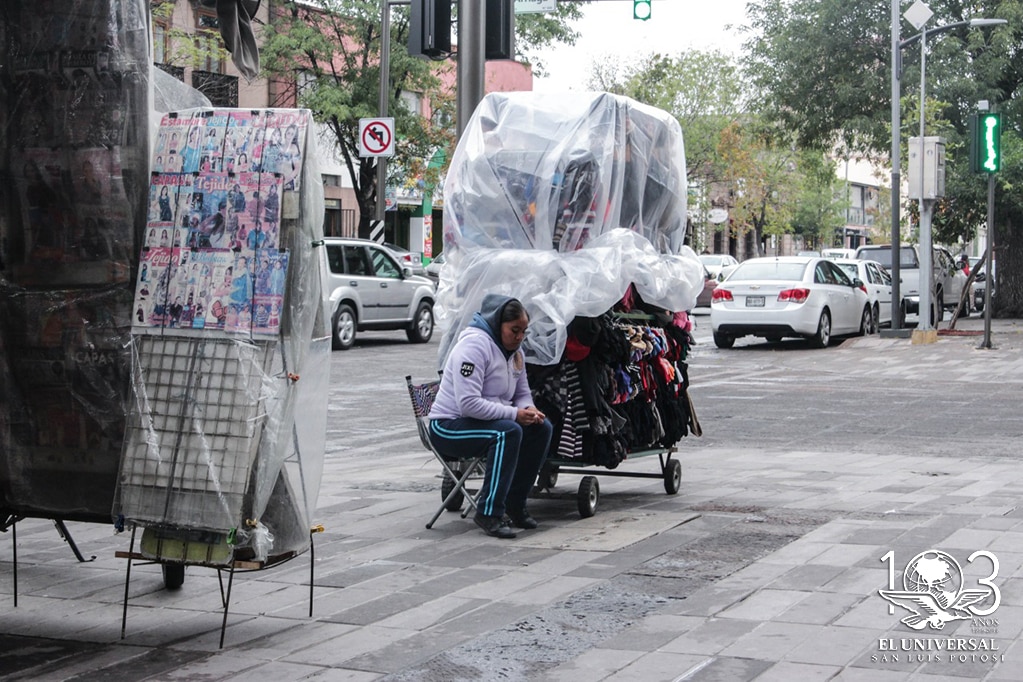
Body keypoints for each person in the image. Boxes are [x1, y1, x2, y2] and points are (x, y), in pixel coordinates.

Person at [427, 295, 552, 539]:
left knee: (542, 428)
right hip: (448, 426)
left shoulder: (515, 353)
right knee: (507, 432)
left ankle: (516, 503)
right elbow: (468, 405)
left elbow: (522, 392)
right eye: (514, 330)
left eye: (523, 331)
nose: (519, 337)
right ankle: (489, 512)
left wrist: (529, 409)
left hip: (485, 422)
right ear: (498, 324)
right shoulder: (474, 347)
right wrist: (515, 414)